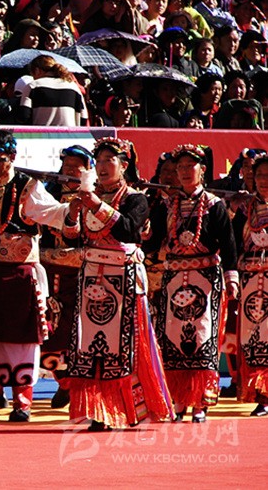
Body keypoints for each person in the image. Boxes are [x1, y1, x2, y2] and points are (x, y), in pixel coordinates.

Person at [61, 137, 174, 431]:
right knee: (91, 345)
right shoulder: (88, 196)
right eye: (98, 161)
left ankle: (127, 407)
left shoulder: (136, 199)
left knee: (125, 348)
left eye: (109, 161)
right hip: (91, 278)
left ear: (123, 165)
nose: (102, 167)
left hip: (123, 280)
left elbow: (128, 230)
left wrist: (96, 205)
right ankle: (99, 409)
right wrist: (72, 214)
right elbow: (72, 236)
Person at [0, 128, 70, 421]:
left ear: (13, 157)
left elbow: (52, 213)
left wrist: (75, 207)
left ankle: (22, 403)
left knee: (24, 338)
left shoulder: (27, 186)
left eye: (1, 159)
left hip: (20, 274)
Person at [144, 144, 239, 423]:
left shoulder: (213, 204)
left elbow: (228, 244)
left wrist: (231, 277)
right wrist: (145, 231)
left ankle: (200, 401)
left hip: (205, 280)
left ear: (203, 170)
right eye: (180, 167)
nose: (185, 172)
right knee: (173, 338)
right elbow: (153, 240)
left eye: (190, 166)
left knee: (202, 337)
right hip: (173, 280)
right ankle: (179, 398)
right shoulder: (167, 205)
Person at [38, 146, 94, 410]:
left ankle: (79, 383)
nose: (70, 170)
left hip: (84, 273)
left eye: (76, 166)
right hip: (52, 271)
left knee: (80, 330)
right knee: (53, 329)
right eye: (67, 165)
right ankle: (63, 381)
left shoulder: (95, 196)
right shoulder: (48, 192)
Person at [233, 153, 268, 417]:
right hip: (251, 282)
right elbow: (233, 243)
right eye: (260, 176)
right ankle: (263, 395)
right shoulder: (245, 209)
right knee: (255, 339)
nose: (264, 180)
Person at [17, 55, 87, 127]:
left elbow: (24, 116)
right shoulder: (73, 87)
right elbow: (83, 118)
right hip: (69, 133)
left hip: (41, 133)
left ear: (37, 70)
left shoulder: (32, 86)